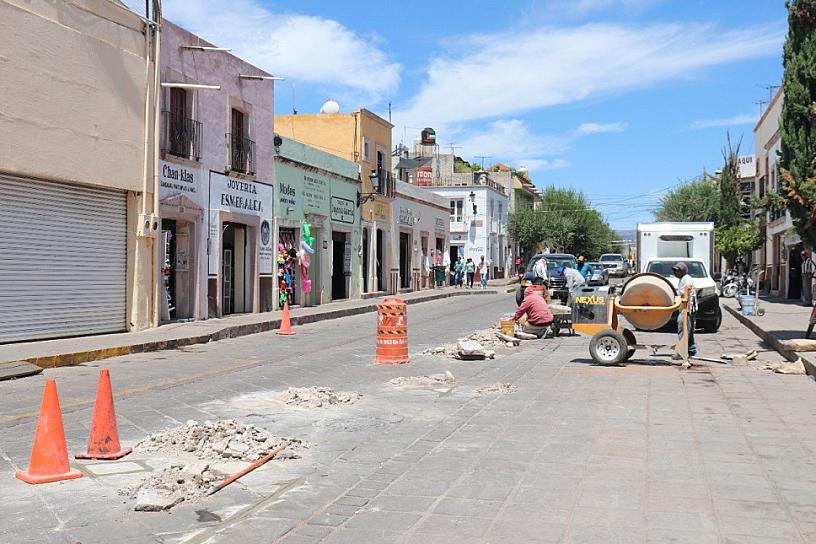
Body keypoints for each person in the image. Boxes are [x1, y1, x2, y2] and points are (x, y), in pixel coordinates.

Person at [672, 262, 698, 358]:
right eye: (675, 271)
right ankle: (691, 350)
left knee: (683, 329)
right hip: (686, 307)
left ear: (683, 271)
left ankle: (682, 351)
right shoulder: (683, 279)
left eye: (678, 271)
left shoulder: (686, 280)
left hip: (686, 308)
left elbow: (682, 293)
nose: (676, 273)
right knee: (688, 329)